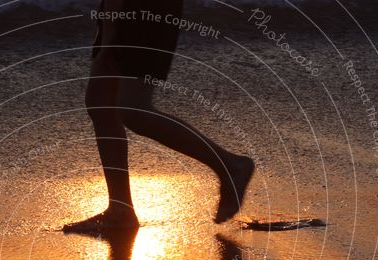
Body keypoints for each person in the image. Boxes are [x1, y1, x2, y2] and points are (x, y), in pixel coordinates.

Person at [64, 0, 255, 234]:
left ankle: (231, 165)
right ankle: (120, 209)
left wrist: (112, 30)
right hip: (131, 11)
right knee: (101, 104)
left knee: (134, 110)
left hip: (143, 12)